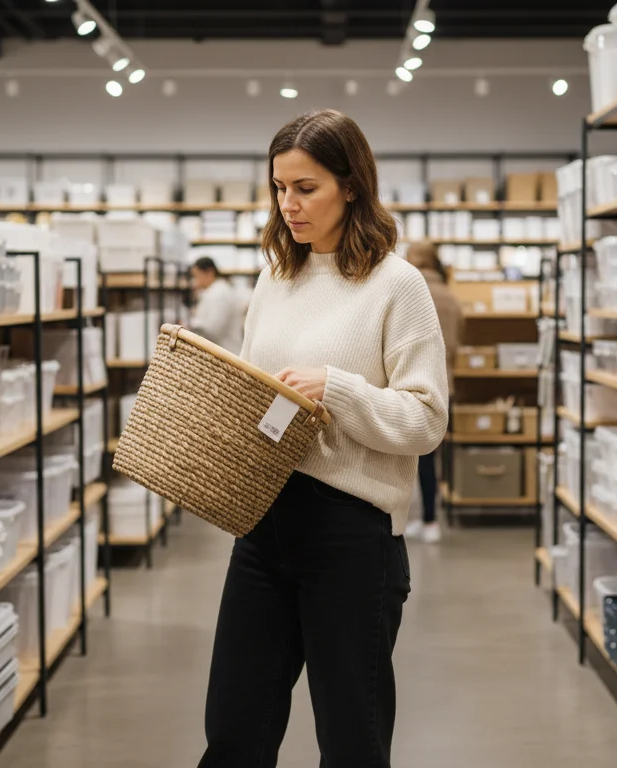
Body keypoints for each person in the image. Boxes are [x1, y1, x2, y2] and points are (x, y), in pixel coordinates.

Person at [199, 109, 449, 768]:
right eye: (279, 188)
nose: (289, 205)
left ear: (351, 184)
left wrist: (335, 389)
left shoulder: (398, 286)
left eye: (305, 188)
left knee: (351, 740)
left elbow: (426, 420)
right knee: (233, 729)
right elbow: (259, 393)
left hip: (353, 534)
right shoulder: (274, 277)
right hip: (262, 523)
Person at [402, 241, 461, 543]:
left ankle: (419, 519)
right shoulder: (450, 296)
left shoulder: (411, 290)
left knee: (411, 458)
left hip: (413, 384)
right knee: (430, 456)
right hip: (444, 384)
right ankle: (429, 520)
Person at [188, 256, 246, 353]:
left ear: (209, 272)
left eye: (197, 276)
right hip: (223, 353)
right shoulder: (216, 291)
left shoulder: (219, 294)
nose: (195, 281)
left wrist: (192, 324)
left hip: (226, 353)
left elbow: (213, 330)